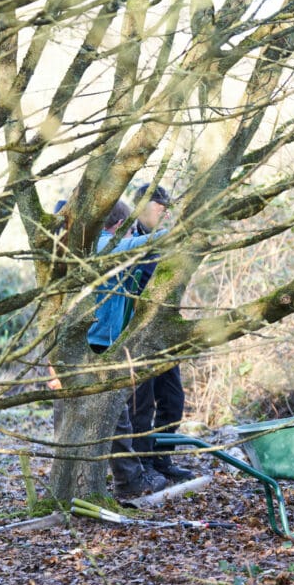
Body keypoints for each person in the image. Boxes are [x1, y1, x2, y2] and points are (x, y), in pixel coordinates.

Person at [87, 200, 169, 498]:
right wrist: (177, 230)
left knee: (103, 411)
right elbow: (140, 245)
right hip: (98, 340)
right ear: (120, 225)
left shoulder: (88, 244)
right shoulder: (105, 245)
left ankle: (121, 478)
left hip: (98, 338)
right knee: (115, 412)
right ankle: (129, 481)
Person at [124, 184, 195, 483]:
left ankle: (161, 458)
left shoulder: (170, 241)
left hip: (165, 331)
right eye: (159, 206)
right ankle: (143, 466)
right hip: (137, 334)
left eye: (167, 207)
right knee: (141, 403)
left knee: (173, 399)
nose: (165, 211)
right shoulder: (127, 240)